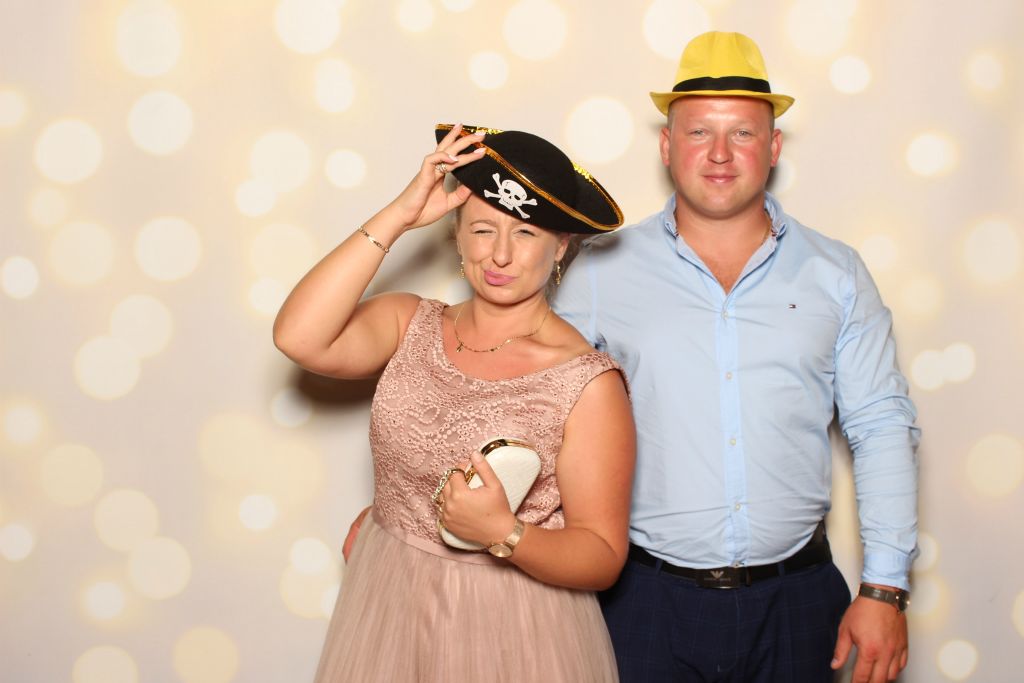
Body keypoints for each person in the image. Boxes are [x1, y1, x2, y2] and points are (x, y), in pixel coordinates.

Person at [552, 32, 920, 683]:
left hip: (799, 600)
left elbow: (881, 425)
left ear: (773, 148)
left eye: (742, 133)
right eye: (699, 132)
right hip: (643, 600)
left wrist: (885, 588)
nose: (719, 154)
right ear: (666, 146)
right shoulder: (601, 270)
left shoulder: (837, 272)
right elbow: (534, 409)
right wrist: (408, 506)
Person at [273, 122, 636, 681]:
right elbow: (298, 337)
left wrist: (505, 534)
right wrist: (399, 216)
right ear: (457, 235)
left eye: (525, 233)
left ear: (561, 245)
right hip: (390, 601)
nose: (500, 255)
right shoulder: (408, 323)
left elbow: (603, 556)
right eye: (483, 229)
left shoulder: (585, 381)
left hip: (511, 626)